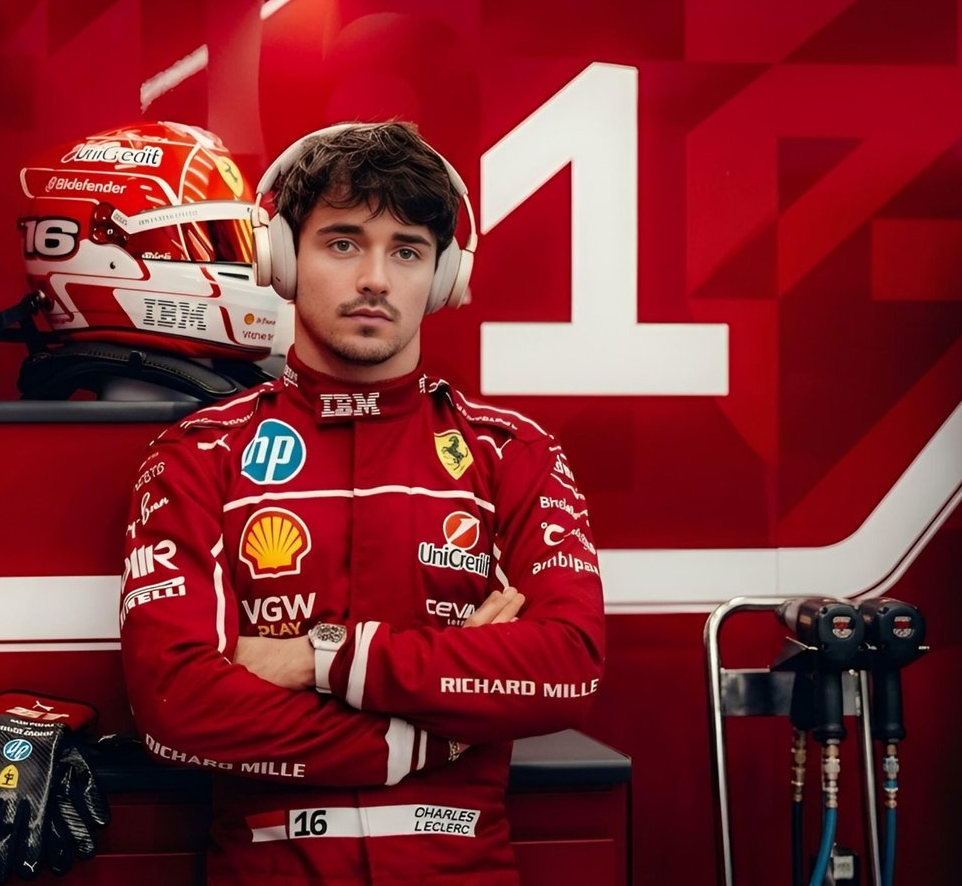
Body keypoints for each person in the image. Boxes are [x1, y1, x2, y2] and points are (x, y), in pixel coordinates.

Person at [117, 121, 606, 885]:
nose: (376, 277)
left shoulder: (514, 454)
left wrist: (321, 658)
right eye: (343, 242)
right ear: (282, 259)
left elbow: (567, 666)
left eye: (406, 250)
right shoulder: (196, 453)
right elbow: (175, 705)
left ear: (443, 276)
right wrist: (421, 736)